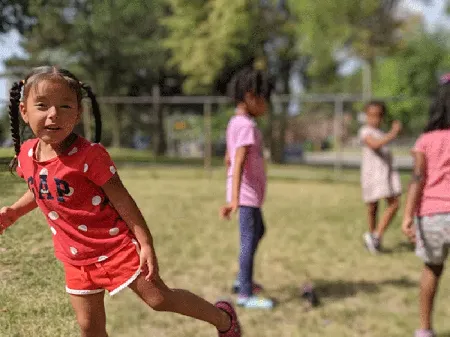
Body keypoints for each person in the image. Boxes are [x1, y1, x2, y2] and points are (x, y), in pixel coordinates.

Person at [0, 66, 241, 337]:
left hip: (115, 247)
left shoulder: (90, 156)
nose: (53, 114)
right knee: (90, 327)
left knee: (159, 299)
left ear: (78, 113)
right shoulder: (26, 154)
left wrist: (146, 243)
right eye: (42, 105)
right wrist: (13, 213)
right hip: (76, 258)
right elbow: (41, 188)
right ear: (24, 111)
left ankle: (223, 319)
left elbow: (124, 201)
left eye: (65, 106)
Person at [220, 67, 274, 309]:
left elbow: (230, 157)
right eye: (265, 99)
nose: (267, 106)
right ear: (251, 96)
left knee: (258, 231)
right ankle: (244, 293)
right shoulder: (247, 126)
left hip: (247, 195)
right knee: (249, 240)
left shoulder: (236, 122)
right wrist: (234, 200)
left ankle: (243, 279)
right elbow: (238, 160)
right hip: (246, 196)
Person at [402, 74, 450, 337]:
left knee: (431, 270)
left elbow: (418, 179)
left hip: (432, 215)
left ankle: (424, 329)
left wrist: (407, 215)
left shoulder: (426, 141)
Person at [358, 101, 402, 254]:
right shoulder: (365, 131)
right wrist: (392, 134)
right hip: (372, 175)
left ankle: (377, 235)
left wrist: (390, 134)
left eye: (377, 116)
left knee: (394, 203)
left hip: (384, 174)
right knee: (372, 207)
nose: (374, 119)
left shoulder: (382, 133)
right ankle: (372, 238)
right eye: (371, 116)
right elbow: (374, 145)